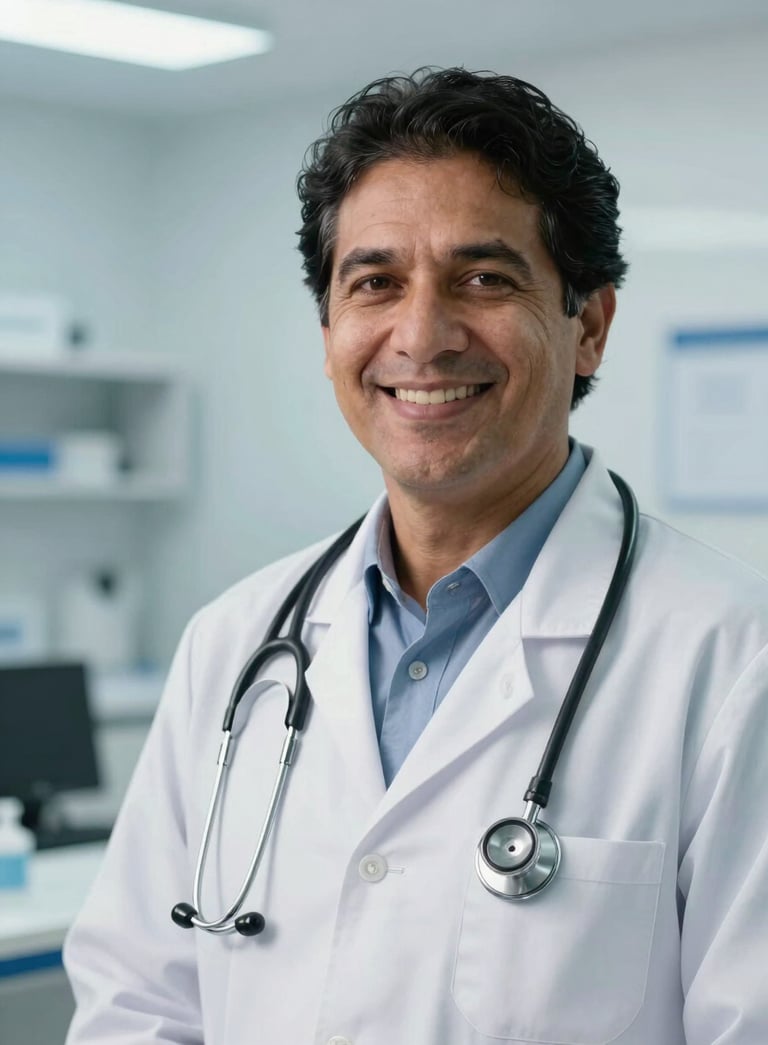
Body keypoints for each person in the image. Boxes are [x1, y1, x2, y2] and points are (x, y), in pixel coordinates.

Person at [64, 68, 768, 1045]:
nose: (423, 335)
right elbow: (136, 1002)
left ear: (590, 327)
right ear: (329, 333)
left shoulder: (734, 659)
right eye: (376, 282)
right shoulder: (232, 644)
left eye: (486, 278)